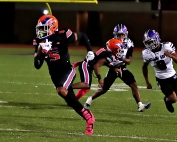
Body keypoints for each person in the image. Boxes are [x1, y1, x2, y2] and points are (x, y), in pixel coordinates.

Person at [33, 14, 95, 135]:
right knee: (70, 100)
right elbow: (37, 65)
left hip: (67, 70)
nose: (40, 31)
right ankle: (89, 118)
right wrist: (41, 52)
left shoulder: (63, 34)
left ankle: (84, 89)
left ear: (52, 27)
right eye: (39, 28)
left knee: (62, 90)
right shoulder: (39, 41)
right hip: (54, 75)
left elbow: (82, 35)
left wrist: (90, 50)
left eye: (43, 28)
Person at [84, 24, 151, 112]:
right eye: (119, 35)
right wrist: (113, 66)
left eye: (122, 34)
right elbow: (106, 59)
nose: (121, 36)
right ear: (115, 34)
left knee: (133, 84)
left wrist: (122, 58)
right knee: (104, 89)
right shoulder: (111, 43)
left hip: (122, 66)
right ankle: (90, 99)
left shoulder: (129, 43)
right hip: (112, 66)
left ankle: (140, 105)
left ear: (126, 34)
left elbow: (129, 60)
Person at [142, 29, 177, 113]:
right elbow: (144, 67)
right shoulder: (146, 53)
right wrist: (147, 81)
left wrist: (171, 55)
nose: (149, 45)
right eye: (147, 43)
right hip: (161, 79)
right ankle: (167, 100)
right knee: (173, 99)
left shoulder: (167, 46)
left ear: (157, 39)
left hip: (172, 75)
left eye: (151, 42)